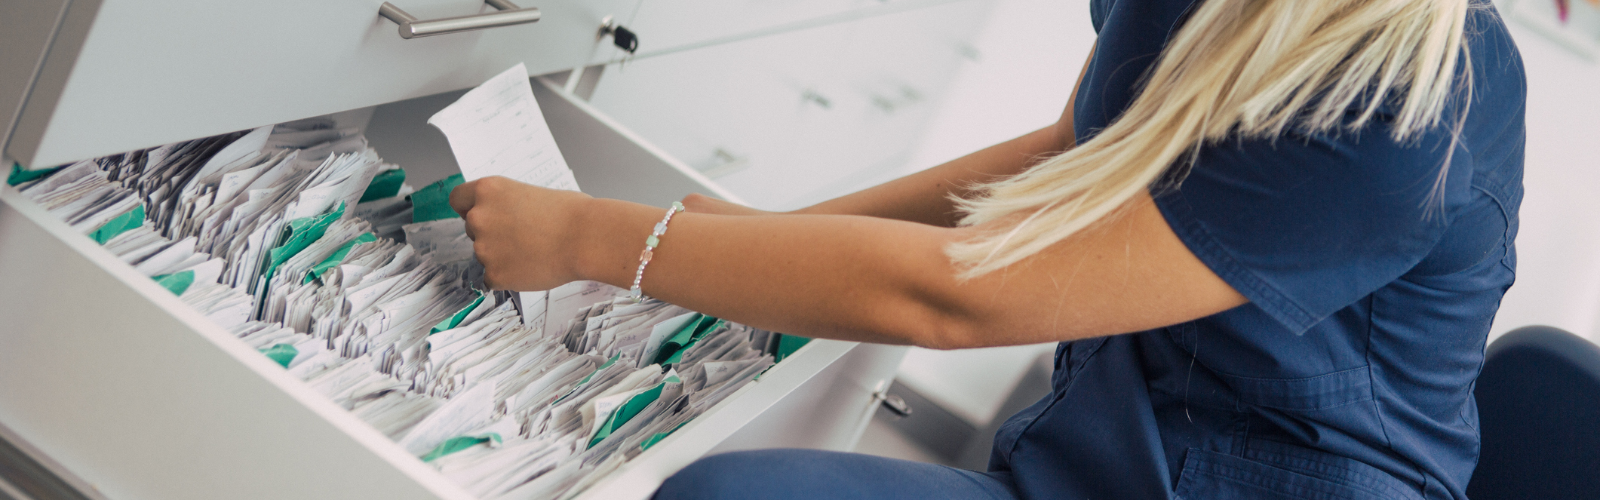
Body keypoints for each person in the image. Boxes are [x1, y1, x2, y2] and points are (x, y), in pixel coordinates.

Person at [448, 0, 1526, 497]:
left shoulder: (1405, 114)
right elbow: (1072, 157)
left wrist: (600, 237)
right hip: (1108, 455)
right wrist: (753, 243)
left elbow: (959, 301)